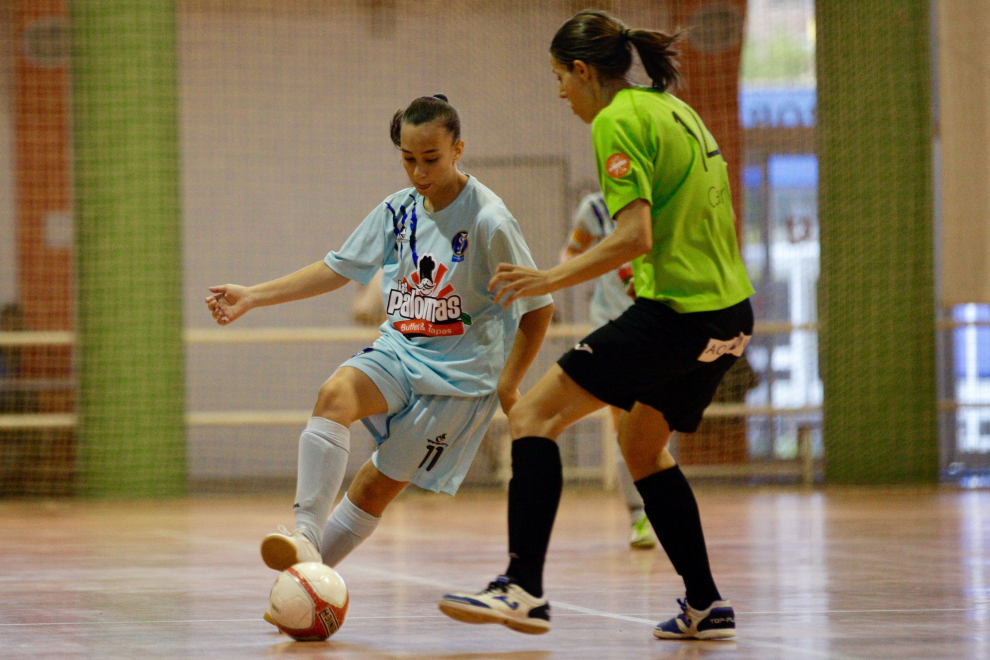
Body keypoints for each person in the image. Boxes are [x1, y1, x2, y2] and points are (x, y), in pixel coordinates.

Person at [439, 11, 753, 640]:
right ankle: (706, 605)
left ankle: (522, 588)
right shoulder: (673, 108)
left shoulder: (616, 120)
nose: (559, 92)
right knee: (641, 448)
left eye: (560, 77)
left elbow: (634, 235)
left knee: (532, 417)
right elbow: (685, 217)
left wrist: (546, 280)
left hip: (677, 316)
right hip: (731, 315)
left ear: (583, 72)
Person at [206, 95, 554, 594]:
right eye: (408, 159)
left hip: (459, 380)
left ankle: (302, 587)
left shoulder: (490, 221)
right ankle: (305, 536)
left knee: (373, 487)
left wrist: (509, 382)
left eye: (430, 159)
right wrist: (253, 296)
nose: (418, 171)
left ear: (458, 149)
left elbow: (539, 308)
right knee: (334, 395)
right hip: (401, 349)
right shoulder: (398, 211)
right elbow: (335, 268)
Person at [559, 191, 656, 550]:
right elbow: (571, 252)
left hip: (654, 324)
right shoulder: (594, 208)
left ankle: (656, 509)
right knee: (623, 424)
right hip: (609, 326)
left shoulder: (660, 201)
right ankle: (638, 518)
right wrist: (580, 270)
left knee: (651, 427)